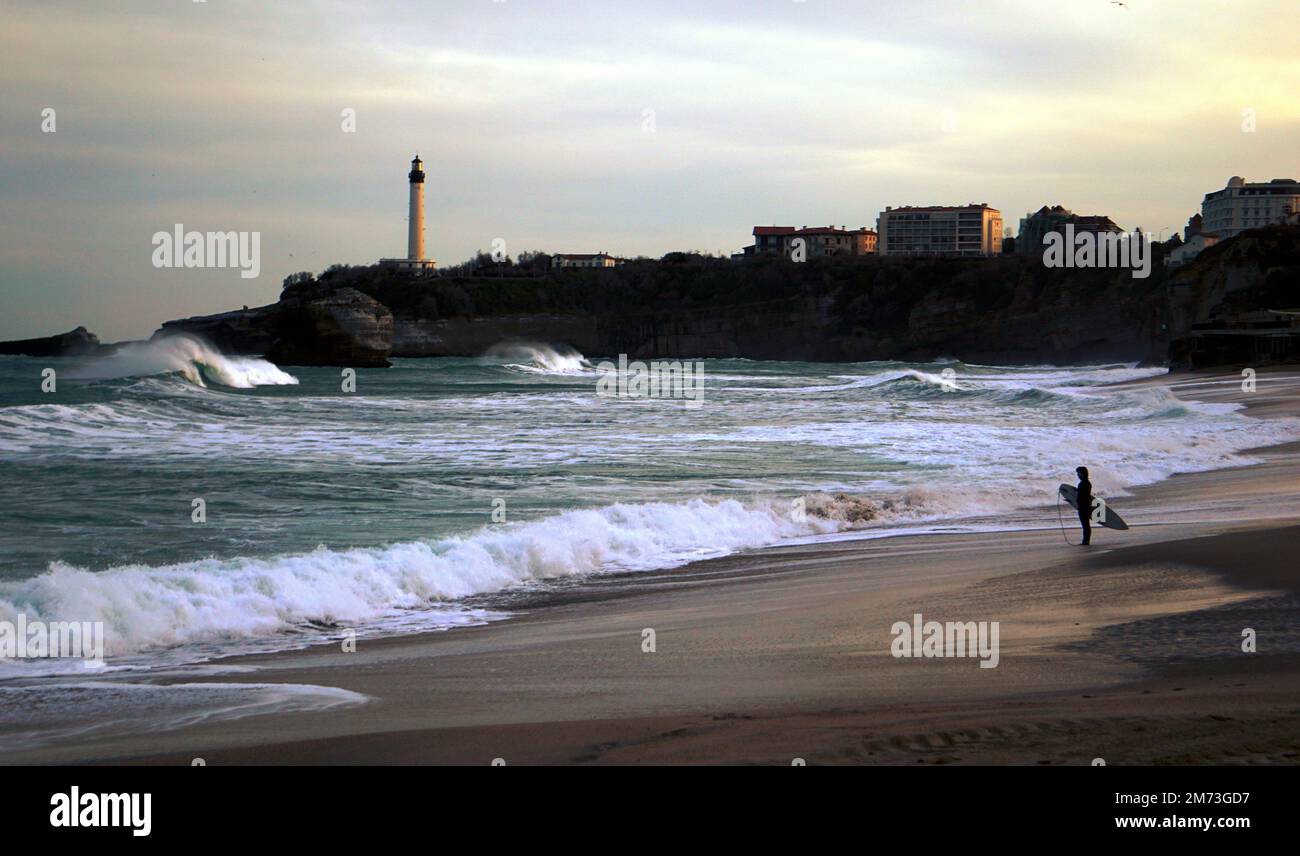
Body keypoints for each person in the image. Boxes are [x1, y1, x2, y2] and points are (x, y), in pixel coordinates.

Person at [1076, 466, 1092, 546]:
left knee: (1085, 524)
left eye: (1078, 473)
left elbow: (1082, 496)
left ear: (1082, 474)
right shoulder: (1087, 483)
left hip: (1084, 507)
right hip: (1085, 506)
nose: (1077, 475)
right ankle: (1085, 541)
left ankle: (1086, 541)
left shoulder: (1084, 483)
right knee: (1085, 524)